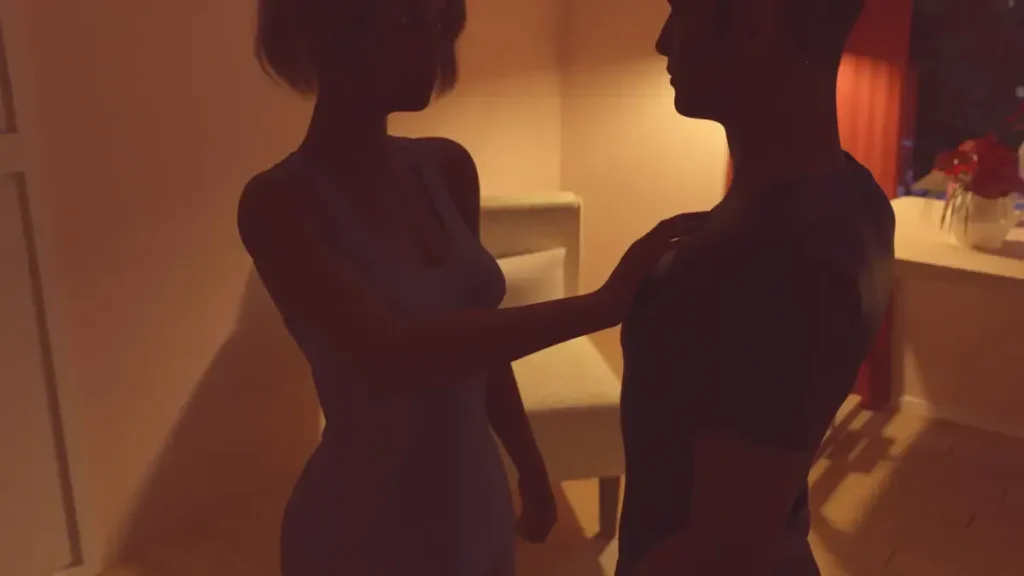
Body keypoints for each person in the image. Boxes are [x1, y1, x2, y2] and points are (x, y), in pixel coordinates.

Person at [236, 1, 701, 575]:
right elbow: (388, 354)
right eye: (407, 21)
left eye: (439, 25)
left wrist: (530, 466)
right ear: (332, 26)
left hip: (475, 495)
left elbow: (478, 336)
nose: (433, 46)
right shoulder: (278, 203)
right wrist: (601, 306)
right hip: (361, 518)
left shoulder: (445, 166)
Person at [614, 1, 895, 575]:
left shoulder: (759, 258)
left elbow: (722, 550)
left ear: (755, 22)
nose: (664, 41)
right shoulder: (859, 196)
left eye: (680, 11)